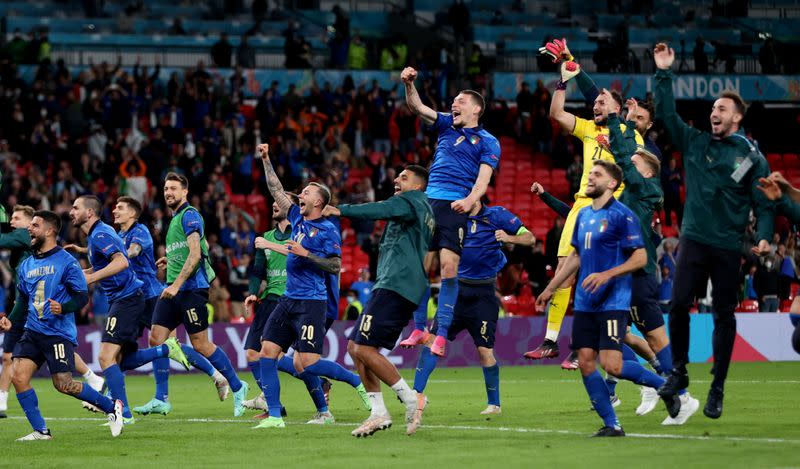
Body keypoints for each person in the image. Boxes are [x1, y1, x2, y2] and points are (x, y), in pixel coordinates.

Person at [652, 43, 775, 419]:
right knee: (677, 304)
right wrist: (664, 73)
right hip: (693, 237)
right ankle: (679, 371)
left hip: (727, 245)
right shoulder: (696, 142)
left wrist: (765, 235)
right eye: (712, 109)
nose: (713, 113)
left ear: (736, 117)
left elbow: (765, 203)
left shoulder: (753, 158)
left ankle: (718, 387)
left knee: (724, 314)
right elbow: (667, 114)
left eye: (721, 109)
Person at [536, 161, 679, 437]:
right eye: (589, 174)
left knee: (612, 365)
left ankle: (664, 387)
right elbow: (575, 257)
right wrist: (551, 288)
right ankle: (612, 424)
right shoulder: (582, 215)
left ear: (612, 183)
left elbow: (640, 257)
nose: (589, 178)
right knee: (586, 362)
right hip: (585, 302)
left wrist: (607, 274)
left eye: (596, 175)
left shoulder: (623, 215)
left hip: (613, 301)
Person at [525, 48, 642, 370]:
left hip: (609, 209)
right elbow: (557, 114)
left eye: (602, 102)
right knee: (564, 269)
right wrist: (562, 82)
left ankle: (588, 344)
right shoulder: (590, 128)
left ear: (618, 109)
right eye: (595, 102)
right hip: (581, 207)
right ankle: (551, 340)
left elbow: (640, 174)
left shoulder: (629, 136)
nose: (596, 104)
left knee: (594, 277)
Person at [253, 143, 369, 429]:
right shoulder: (296, 219)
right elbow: (276, 190)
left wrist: (306, 254)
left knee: (309, 364)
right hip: (288, 300)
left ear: (319, 202)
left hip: (311, 303)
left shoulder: (328, 230)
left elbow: (334, 265)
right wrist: (267, 159)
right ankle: (276, 418)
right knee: (266, 352)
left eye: (306, 193)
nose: (300, 196)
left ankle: (357, 381)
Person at [604, 92, 700, 425]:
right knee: (618, 340)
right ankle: (659, 385)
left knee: (654, 338)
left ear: (647, 170)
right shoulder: (634, 189)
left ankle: (680, 394)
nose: (632, 161)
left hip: (638, 274)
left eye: (637, 160)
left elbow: (622, 154)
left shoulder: (647, 188)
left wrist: (616, 118)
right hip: (622, 274)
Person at [321, 165, 434, 437]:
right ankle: (378, 412)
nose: (396, 179)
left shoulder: (412, 201)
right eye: (397, 175)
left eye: (404, 178)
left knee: (363, 348)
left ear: (418, 186)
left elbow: (380, 209)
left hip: (397, 284)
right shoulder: (419, 208)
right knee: (355, 347)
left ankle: (411, 398)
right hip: (396, 284)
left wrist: (341, 210)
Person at [398, 66, 501, 357]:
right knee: (419, 266)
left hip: (455, 203)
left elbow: (483, 180)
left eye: (461, 101)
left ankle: (440, 333)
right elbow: (416, 106)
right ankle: (418, 328)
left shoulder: (489, 142)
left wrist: (470, 201)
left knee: (447, 268)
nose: (454, 103)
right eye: (454, 100)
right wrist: (408, 83)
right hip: (429, 202)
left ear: (476, 109)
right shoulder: (446, 124)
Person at [0, 210, 124, 440]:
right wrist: (10, 318)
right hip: (33, 330)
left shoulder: (67, 262)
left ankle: (111, 406)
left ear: (49, 231)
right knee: (18, 376)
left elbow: (81, 296)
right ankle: (41, 431)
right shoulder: (27, 264)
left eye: (35, 226)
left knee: (64, 384)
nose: (30, 229)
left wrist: (63, 307)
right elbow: (24, 300)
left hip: (57, 333)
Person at [411, 199, 533, 428]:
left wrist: (509, 238)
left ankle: (494, 404)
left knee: (485, 352)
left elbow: (530, 237)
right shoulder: (453, 219)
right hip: (455, 293)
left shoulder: (497, 215)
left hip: (484, 296)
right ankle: (415, 395)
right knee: (432, 341)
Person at [68, 195, 190, 423]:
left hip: (128, 298)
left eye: (76, 208)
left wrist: (92, 277)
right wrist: (76, 275)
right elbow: (103, 264)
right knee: (120, 360)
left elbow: (123, 260)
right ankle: (164, 350)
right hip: (125, 298)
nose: (71, 212)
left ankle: (122, 413)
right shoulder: (97, 235)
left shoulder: (102, 233)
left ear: (90, 213)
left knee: (105, 357)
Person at [103, 197, 225, 416]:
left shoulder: (139, 231)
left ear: (133, 213)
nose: (114, 210)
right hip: (130, 297)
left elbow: (131, 252)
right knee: (125, 348)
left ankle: (214, 374)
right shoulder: (119, 235)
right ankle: (136, 398)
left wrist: (113, 258)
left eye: (120, 207)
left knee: (168, 344)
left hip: (148, 295)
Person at [150, 173, 250, 417]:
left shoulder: (190, 215)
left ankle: (238, 386)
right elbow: (186, 252)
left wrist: (175, 285)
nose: (168, 192)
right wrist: (171, 260)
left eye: (173, 188)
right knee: (157, 339)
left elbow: (195, 255)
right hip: (176, 287)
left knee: (201, 344)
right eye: (165, 188)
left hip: (191, 289)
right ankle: (161, 398)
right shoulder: (173, 220)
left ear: (185, 192)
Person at [241, 195, 334, 424]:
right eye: (272, 202)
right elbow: (258, 270)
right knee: (254, 353)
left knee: (299, 361)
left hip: (296, 299)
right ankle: (273, 404)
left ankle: (315, 396)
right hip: (271, 298)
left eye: (280, 202)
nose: (275, 205)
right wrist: (254, 291)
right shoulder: (265, 237)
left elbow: (306, 256)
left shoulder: (302, 231)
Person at [0, 205, 35, 418]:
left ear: (29, 223)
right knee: (7, 356)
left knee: (53, 354)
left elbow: (2, 241)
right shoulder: (20, 242)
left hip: (33, 307)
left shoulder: (24, 235)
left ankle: (92, 378)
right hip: (20, 305)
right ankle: (1, 402)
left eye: (16, 218)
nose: (12, 222)